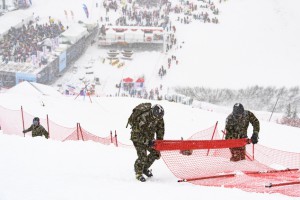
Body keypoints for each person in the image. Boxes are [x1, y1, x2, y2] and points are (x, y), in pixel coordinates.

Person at [128, 103, 165, 182]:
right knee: (143, 156)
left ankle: (144, 168)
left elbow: (160, 130)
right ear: (153, 113)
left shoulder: (159, 118)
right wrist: (147, 142)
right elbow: (137, 134)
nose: (157, 119)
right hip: (137, 139)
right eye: (156, 117)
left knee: (156, 153)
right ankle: (138, 172)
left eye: (159, 118)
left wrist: (159, 143)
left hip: (149, 139)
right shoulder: (143, 117)